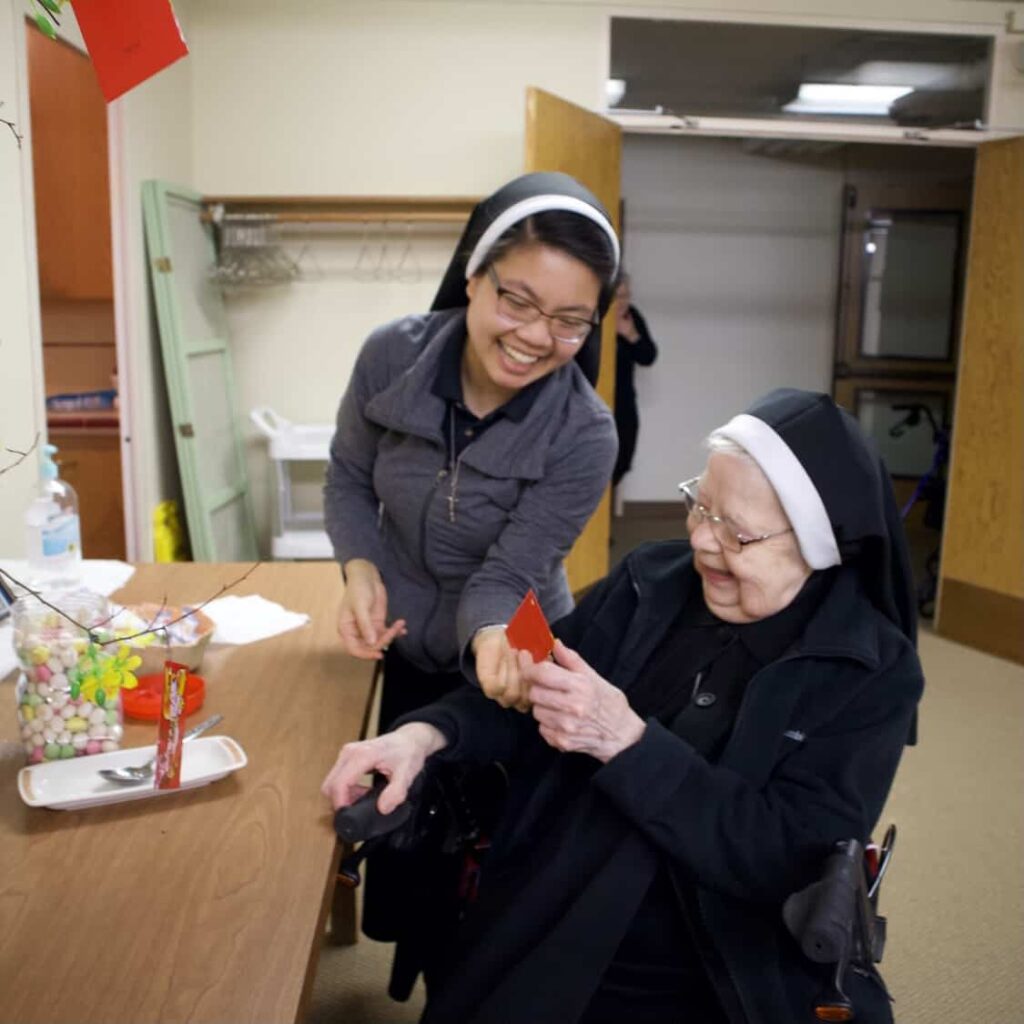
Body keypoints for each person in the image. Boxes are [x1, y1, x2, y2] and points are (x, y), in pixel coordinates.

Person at [322, 388, 925, 1024]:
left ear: (819, 543)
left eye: (737, 533)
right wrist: (424, 735)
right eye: (700, 507)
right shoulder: (649, 579)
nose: (701, 542)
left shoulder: (869, 669)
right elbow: (529, 693)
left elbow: (788, 858)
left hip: (704, 953)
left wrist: (627, 743)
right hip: (550, 891)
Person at [322, 172, 621, 997]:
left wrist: (493, 636)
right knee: (410, 821)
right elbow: (348, 475)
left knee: (499, 844)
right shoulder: (393, 355)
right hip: (412, 628)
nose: (534, 336)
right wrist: (358, 568)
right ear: (473, 276)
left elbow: (510, 571)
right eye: (517, 301)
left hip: (520, 625)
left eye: (569, 320)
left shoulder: (586, 434)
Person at [612, 273, 658, 488]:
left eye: (627, 295)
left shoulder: (632, 317)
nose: (624, 302)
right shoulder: (591, 315)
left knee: (623, 456)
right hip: (591, 399)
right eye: (618, 296)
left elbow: (648, 355)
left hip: (624, 401)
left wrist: (630, 334)